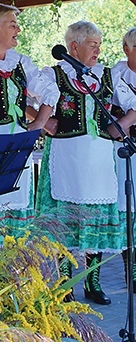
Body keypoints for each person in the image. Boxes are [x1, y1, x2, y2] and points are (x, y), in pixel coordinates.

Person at [37, 21, 136, 305]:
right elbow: (27, 97)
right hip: (66, 157)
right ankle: (66, 283)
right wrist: (44, 123)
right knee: (65, 224)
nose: (98, 50)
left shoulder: (107, 75)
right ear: (73, 47)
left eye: (99, 44)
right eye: (93, 44)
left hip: (99, 160)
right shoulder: (53, 75)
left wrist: (123, 125)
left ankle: (92, 283)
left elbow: (133, 104)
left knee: (95, 222)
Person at [0, 3, 59, 227]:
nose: (18, 30)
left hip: (16, 143)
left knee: (13, 202)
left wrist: (37, 125)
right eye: (13, 24)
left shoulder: (20, 62)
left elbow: (51, 91)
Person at [112, 27, 136, 290]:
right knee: (127, 209)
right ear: (126, 49)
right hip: (124, 151)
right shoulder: (116, 74)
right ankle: (132, 272)